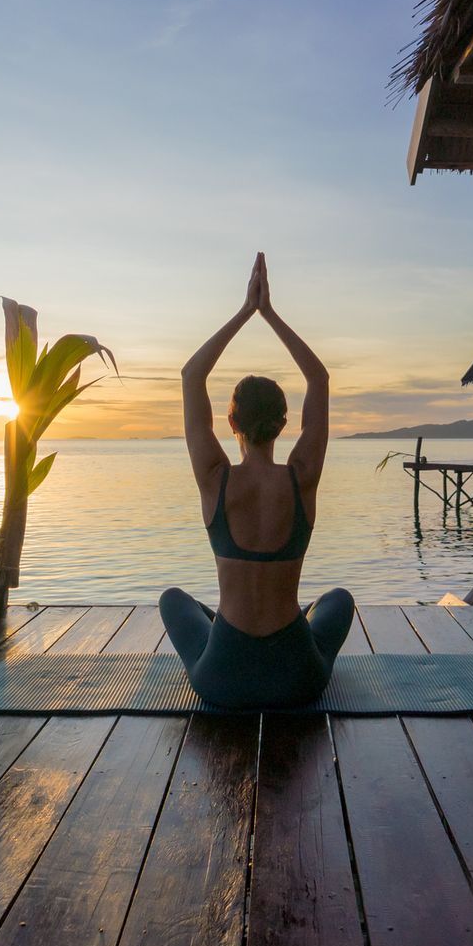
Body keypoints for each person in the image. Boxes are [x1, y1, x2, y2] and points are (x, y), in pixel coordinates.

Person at [160, 253, 353, 709]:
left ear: (231, 423)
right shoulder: (302, 478)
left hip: (221, 677)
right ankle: (293, 626)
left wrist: (245, 311)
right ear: (285, 424)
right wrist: (271, 314)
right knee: (339, 599)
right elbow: (319, 379)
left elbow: (191, 376)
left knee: (173, 599)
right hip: (297, 677)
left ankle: (221, 628)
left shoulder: (215, 480)